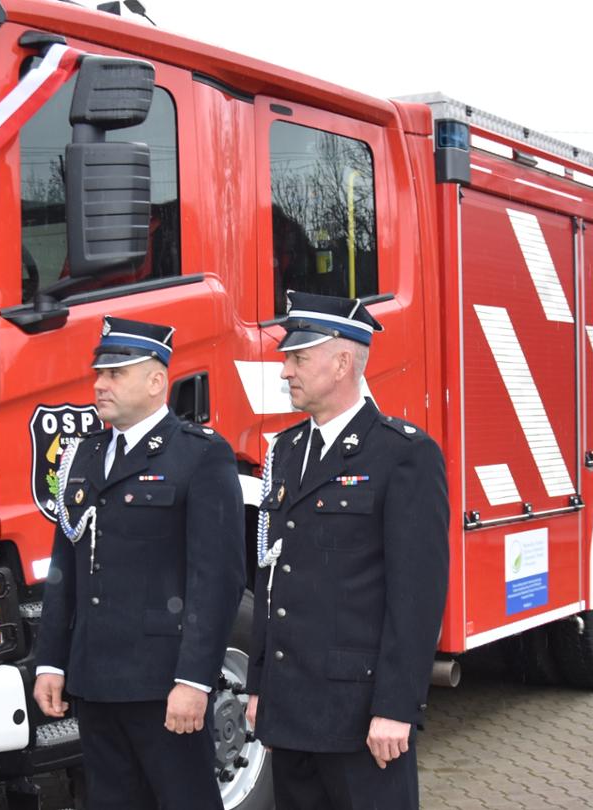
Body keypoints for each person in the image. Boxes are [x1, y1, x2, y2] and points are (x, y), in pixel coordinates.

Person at [245, 292, 450, 810]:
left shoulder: (402, 454)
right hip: (292, 709)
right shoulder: (287, 452)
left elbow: (416, 596)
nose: (284, 370)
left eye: (298, 357)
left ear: (341, 363)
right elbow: (273, 576)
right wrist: (260, 685)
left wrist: (397, 707)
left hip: (360, 716)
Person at [33, 315, 245, 810]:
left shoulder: (199, 455)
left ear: (156, 382)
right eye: (99, 374)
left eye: (115, 374)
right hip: (95, 679)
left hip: (163, 684)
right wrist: (51, 662)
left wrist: (194, 681)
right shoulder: (83, 456)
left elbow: (217, 579)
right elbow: (64, 568)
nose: (99, 385)